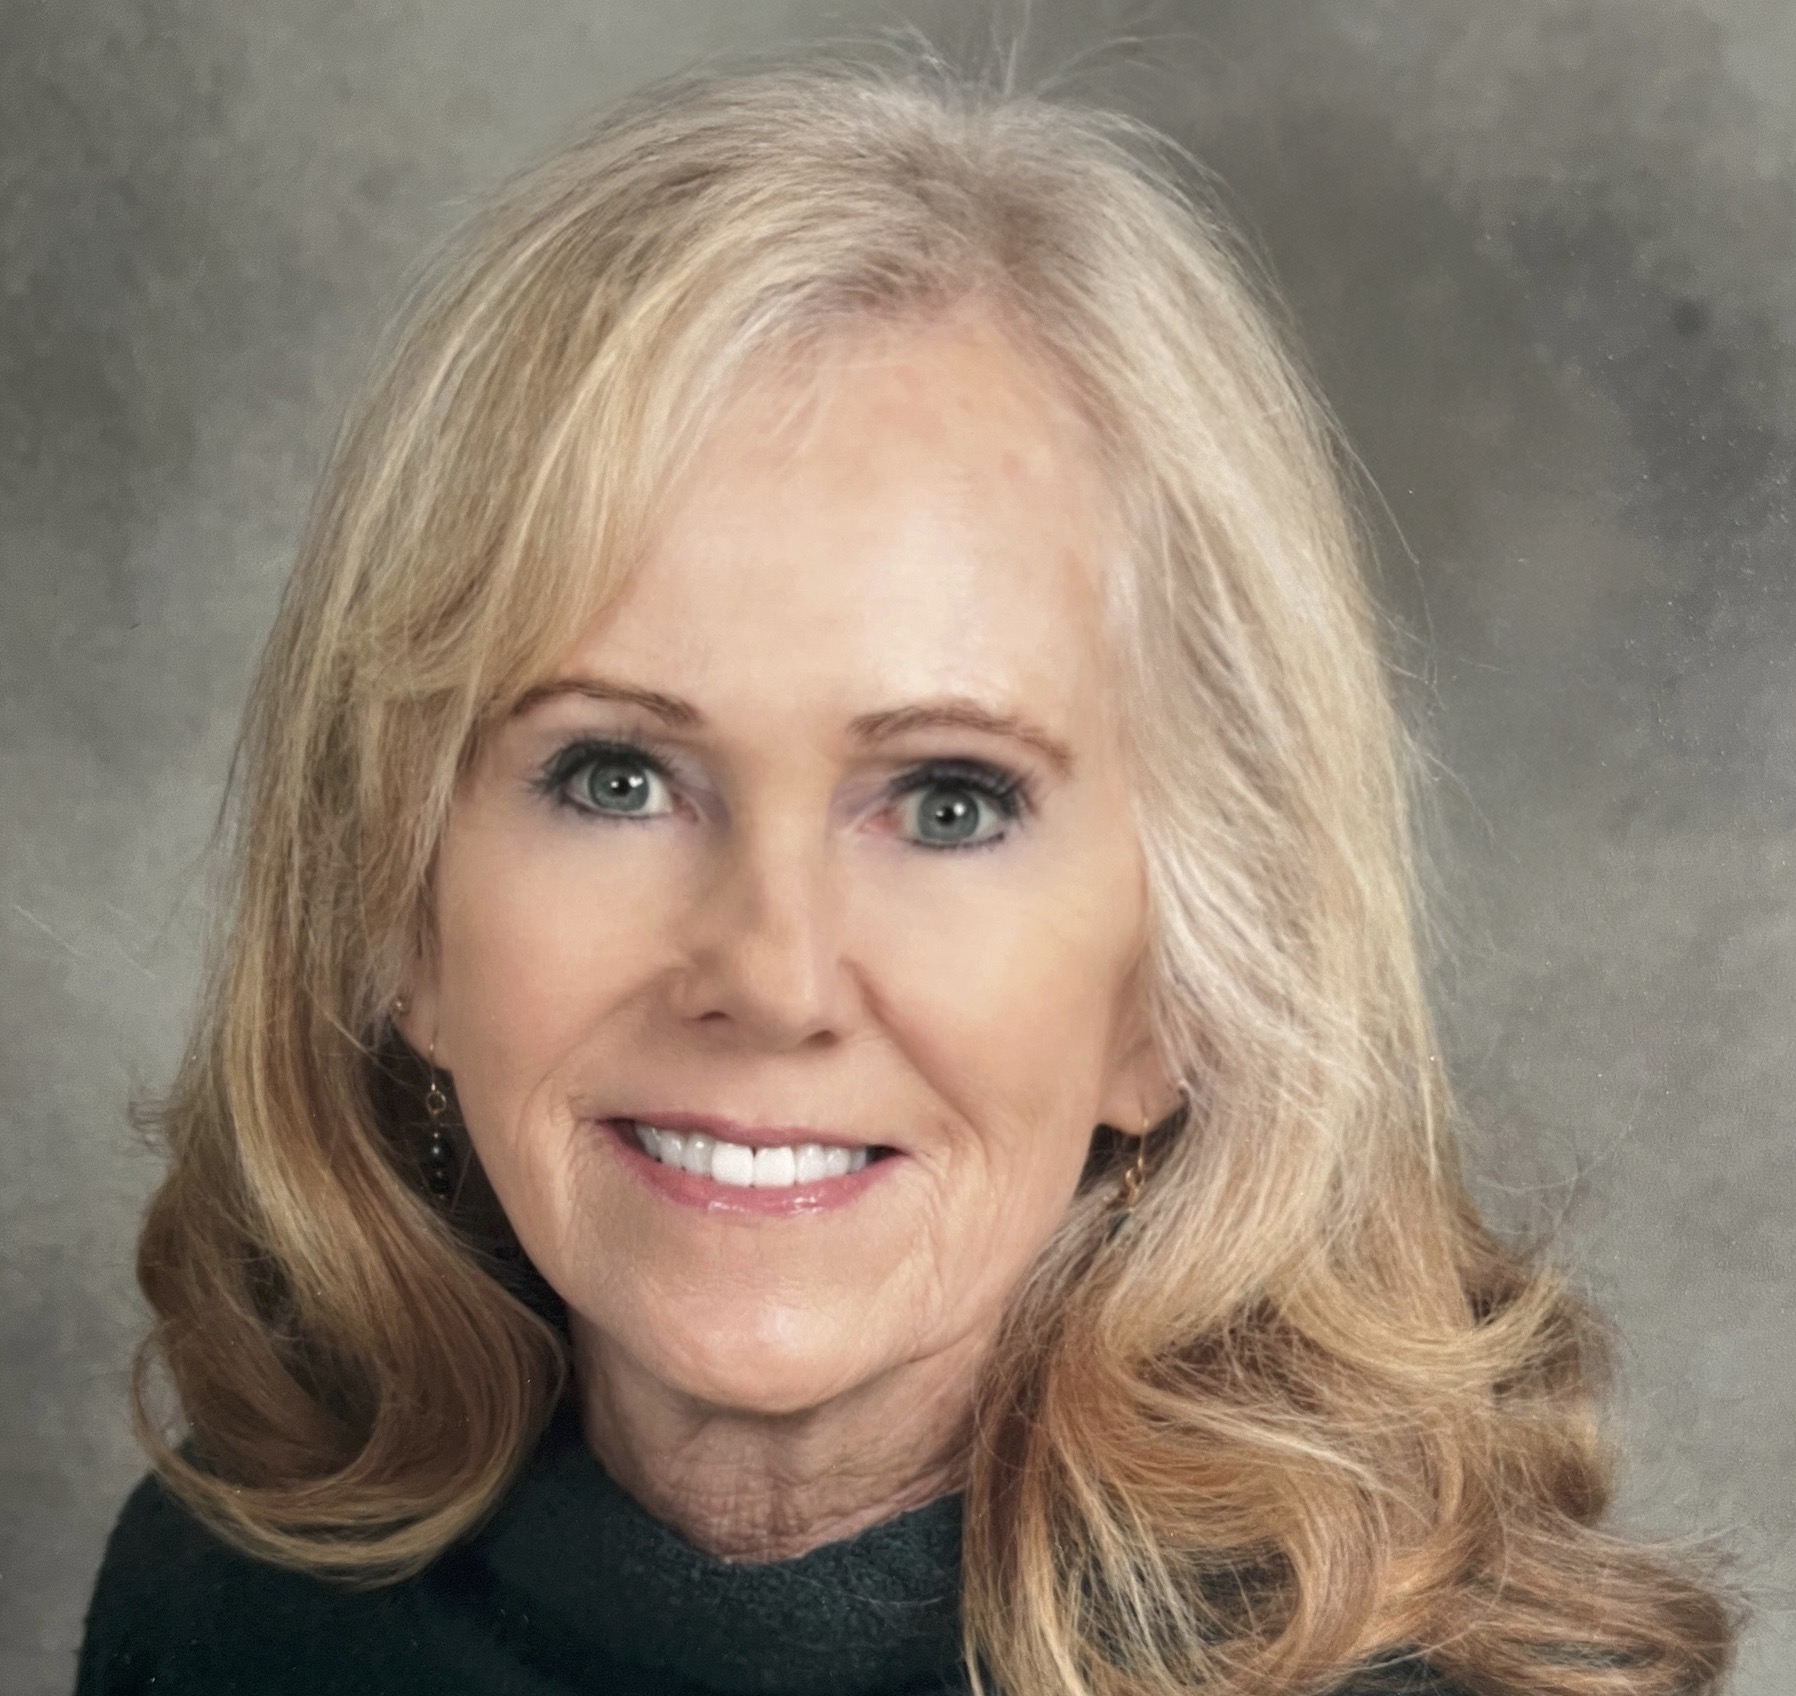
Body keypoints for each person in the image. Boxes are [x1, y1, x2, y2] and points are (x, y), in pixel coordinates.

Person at [75, 56, 1732, 1696]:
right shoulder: (227, 1602)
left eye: (949, 802)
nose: (771, 974)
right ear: (397, 910)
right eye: (616, 775)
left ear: (1177, 988)